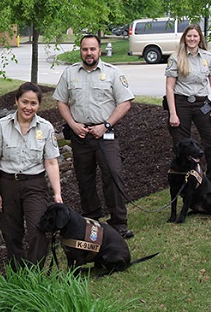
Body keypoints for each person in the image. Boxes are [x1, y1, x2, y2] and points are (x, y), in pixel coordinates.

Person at [53, 34, 135, 239]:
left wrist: (106, 125)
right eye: (85, 49)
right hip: (80, 135)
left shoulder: (112, 73)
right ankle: (92, 220)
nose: (88, 53)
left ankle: (119, 222)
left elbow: (125, 102)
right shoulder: (70, 73)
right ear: (80, 51)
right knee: (84, 178)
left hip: (105, 135)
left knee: (113, 174)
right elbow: (61, 102)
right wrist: (73, 124)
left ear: (99, 50)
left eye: (92, 49)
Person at [0, 82, 62, 268]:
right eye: (24, 102)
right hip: (7, 183)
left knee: (39, 230)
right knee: (12, 234)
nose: (28, 107)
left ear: (38, 105)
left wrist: (57, 194)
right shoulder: (1, 126)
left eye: (33, 103)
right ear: (16, 101)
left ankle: (34, 273)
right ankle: (19, 273)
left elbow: (51, 162)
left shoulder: (46, 128)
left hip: (35, 185)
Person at [164, 24, 211, 192]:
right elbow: (169, 87)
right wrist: (173, 114)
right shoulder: (176, 57)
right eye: (189, 36)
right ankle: (186, 180)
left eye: (195, 36)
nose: (192, 39)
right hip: (181, 103)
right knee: (181, 144)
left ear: (200, 38)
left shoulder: (208, 57)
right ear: (185, 38)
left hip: (202, 104)